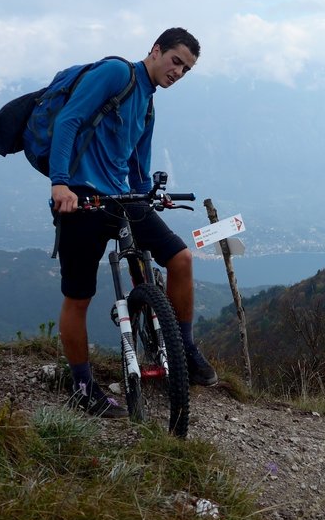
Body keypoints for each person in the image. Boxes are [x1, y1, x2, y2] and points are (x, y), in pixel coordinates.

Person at [48, 27, 218, 419]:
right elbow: (69, 120)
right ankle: (81, 385)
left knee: (180, 259)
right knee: (78, 297)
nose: (178, 72)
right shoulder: (115, 74)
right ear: (156, 50)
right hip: (82, 198)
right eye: (176, 61)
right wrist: (60, 183)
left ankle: (184, 349)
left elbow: (139, 163)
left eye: (186, 69)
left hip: (123, 199)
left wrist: (149, 195)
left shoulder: (148, 103)